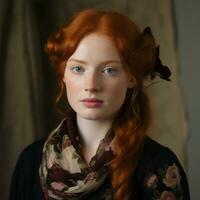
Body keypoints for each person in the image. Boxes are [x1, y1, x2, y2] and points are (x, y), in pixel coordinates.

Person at [9, 9, 190, 200]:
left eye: (109, 70)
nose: (91, 86)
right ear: (63, 74)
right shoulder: (31, 161)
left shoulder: (160, 167)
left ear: (131, 78)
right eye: (78, 69)